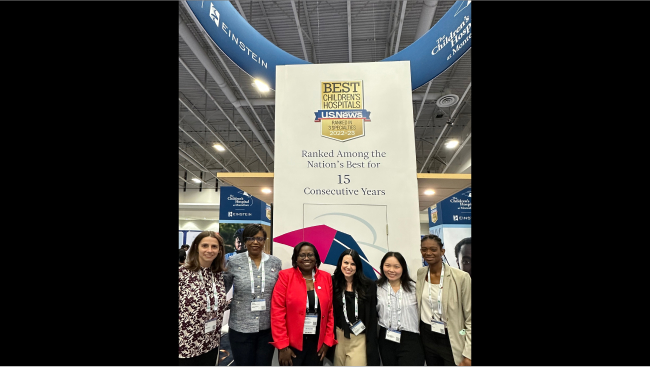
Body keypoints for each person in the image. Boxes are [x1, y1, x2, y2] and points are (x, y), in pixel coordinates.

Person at [223, 224, 282, 366]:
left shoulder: (275, 262)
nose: (255, 242)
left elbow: (280, 294)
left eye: (259, 238)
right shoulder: (233, 262)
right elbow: (222, 288)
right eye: (250, 238)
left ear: (264, 240)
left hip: (267, 328)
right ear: (244, 240)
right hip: (240, 327)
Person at [271, 242, 337, 366]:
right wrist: (283, 347)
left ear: (316, 258)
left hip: (317, 343)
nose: (306, 258)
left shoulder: (326, 277)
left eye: (310, 254)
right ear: (296, 259)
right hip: (292, 345)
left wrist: (327, 342)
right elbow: (277, 312)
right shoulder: (285, 276)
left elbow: (330, 312)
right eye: (302, 255)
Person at [179, 231, 233, 365]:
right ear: (196, 247)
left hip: (211, 342)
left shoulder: (218, 275)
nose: (209, 250)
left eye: (214, 247)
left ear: (220, 250)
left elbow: (214, 304)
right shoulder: (182, 274)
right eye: (205, 245)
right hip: (185, 345)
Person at [417, 234, 471, 366]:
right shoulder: (420, 273)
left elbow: (470, 318)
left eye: (433, 249)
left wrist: (469, 354)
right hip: (427, 335)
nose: (428, 253)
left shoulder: (460, 277)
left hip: (452, 334)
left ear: (442, 251)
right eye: (424, 249)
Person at [328, 249, 379, 366]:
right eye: (346, 263)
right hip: (339, 337)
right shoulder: (333, 282)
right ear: (340, 263)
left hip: (359, 339)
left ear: (357, 266)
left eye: (353, 264)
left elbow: (372, 317)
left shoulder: (368, 286)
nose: (348, 267)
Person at [375, 252, 424, 366]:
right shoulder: (376, 288)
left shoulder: (415, 288)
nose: (391, 270)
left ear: (403, 268)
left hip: (410, 339)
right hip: (386, 337)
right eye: (387, 265)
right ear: (382, 267)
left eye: (396, 266)